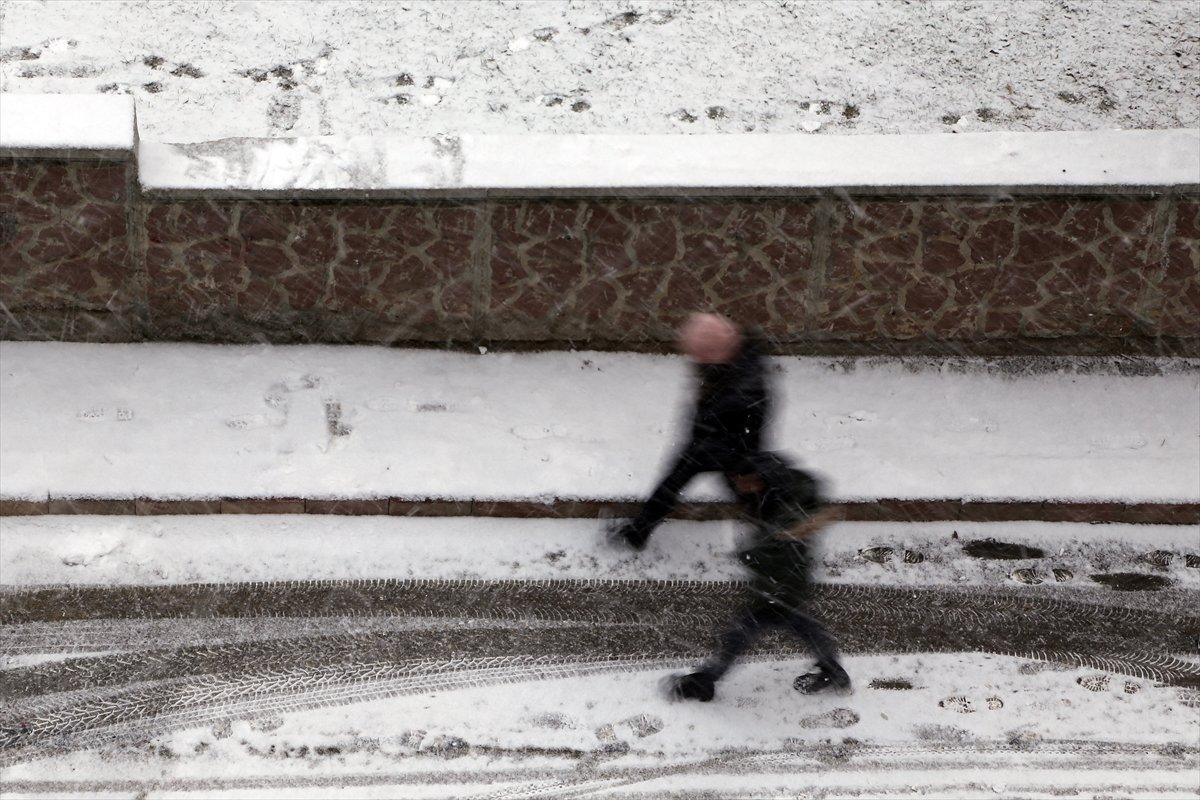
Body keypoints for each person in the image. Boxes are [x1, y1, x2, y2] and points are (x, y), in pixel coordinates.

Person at [669, 451, 851, 702]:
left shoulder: (784, 508)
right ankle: (832, 670)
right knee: (800, 625)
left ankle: (705, 681)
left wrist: (749, 556)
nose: (741, 487)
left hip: (782, 583)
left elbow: (778, 547)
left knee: (743, 632)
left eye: (746, 481)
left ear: (762, 478)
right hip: (782, 582)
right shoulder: (773, 493)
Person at [612, 312, 769, 550]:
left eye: (701, 359)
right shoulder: (733, 358)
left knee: (678, 483)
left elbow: (750, 422)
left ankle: (773, 537)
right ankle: (637, 534)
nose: (697, 364)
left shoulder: (744, 384)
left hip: (726, 445)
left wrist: (746, 461)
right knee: (680, 483)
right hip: (715, 441)